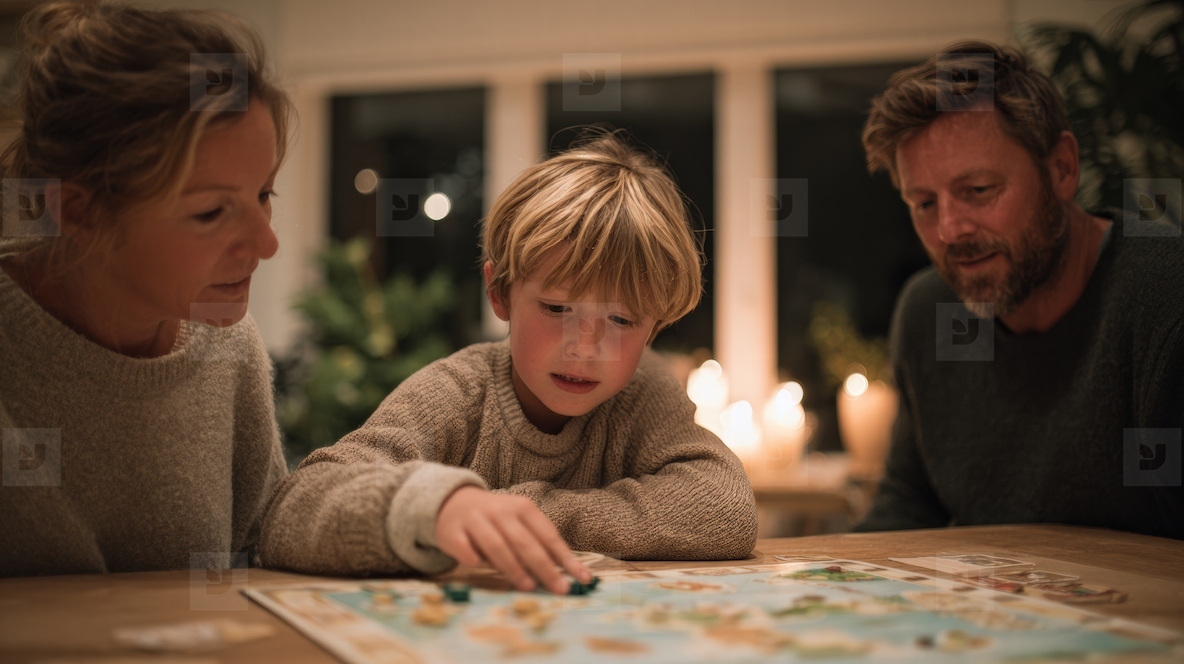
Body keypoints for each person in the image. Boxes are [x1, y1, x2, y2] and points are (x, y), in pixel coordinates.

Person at [260, 132, 758, 593]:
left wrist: (525, 516)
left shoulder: (644, 393)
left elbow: (725, 508)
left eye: (622, 320)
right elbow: (293, 512)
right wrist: (437, 508)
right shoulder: (454, 393)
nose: (585, 347)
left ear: (656, 326)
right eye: (558, 308)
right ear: (499, 293)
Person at [0, 1, 291, 575]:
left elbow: (270, 549)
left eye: (264, 195)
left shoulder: (228, 348)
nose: (266, 243)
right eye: (211, 211)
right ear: (79, 212)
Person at [855, 41, 1183, 539]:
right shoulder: (928, 313)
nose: (949, 230)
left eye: (979, 191)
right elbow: (907, 506)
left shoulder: (1165, 298)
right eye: (923, 203)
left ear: (1062, 170)